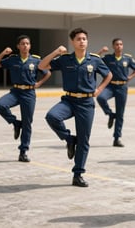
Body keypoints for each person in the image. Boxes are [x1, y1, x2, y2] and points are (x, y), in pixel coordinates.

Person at [38, 28, 112, 187]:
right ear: (72, 41)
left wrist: (99, 90)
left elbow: (109, 75)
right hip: (69, 100)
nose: (82, 41)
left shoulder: (94, 60)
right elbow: (42, 65)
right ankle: (69, 139)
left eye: (84, 39)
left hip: (86, 104)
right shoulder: (65, 59)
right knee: (52, 116)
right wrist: (56, 52)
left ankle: (78, 174)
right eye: (78, 39)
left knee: (84, 140)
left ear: (87, 41)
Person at [0, 35, 51, 162]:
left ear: (30, 46)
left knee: (27, 123)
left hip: (29, 93)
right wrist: (3, 53)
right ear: (18, 46)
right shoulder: (12, 59)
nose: (25, 45)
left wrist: (39, 83)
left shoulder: (36, 60)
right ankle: (15, 123)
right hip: (15, 92)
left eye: (27, 43)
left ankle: (23, 151)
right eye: (22, 43)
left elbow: (48, 73)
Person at [96, 38, 135, 147]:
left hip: (122, 87)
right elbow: (94, 60)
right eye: (116, 44)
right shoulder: (108, 58)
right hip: (110, 86)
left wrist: (130, 77)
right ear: (113, 46)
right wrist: (101, 51)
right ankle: (110, 114)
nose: (119, 46)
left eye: (121, 44)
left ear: (122, 46)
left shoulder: (127, 58)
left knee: (120, 114)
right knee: (100, 97)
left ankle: (116, 138)